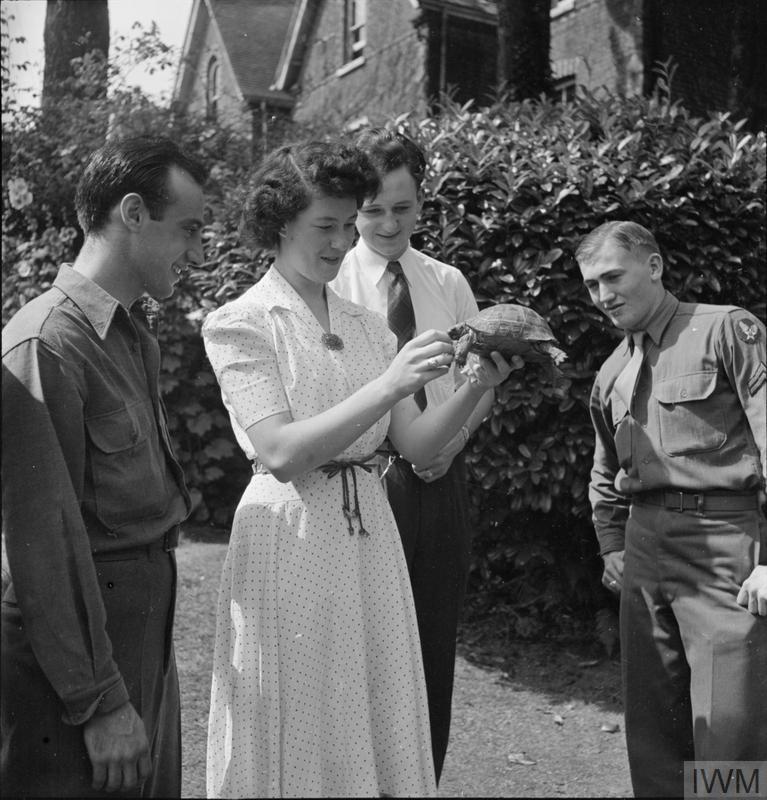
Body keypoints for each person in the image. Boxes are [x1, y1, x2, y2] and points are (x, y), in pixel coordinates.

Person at [202, 140, 512, 798]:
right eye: (326, 225)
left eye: (349, 225)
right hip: (289, 535)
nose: (343, 241)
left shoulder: (369, 328)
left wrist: (474, 388)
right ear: (278, 223)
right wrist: (391, 384)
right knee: (299, 711)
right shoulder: (241, 321)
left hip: (368, 534)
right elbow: (282, 452)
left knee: (365, 715)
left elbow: (421, 448)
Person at [1, 136, 206, 797]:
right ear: (133, 214)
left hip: (136, 644)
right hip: (72, 670)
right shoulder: (46, 344)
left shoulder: (125, 335)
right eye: (189, 229)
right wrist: (98, 701)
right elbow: (45, 547)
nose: (199, 252)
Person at [576, 220, 767, 797]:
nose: (603, 295)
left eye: (613, 276)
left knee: (729, 726)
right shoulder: (612, 369)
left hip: (726, 543)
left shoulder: (725, 329)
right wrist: (612, 546)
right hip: (644, 550)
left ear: (654, 267)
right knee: (654, 722)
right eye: (591, 285)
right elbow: (607, 471)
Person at [330, 128, 494, 781]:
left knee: (431, 655)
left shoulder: (446, 282)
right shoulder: (332, 283)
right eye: (372, 210)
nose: (388, 223)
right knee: (366, 658)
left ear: (422, 203)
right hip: (370, 487)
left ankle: (423, 785)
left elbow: (481, 384)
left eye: (402, 208)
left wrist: (446, 451)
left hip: (440, 484)